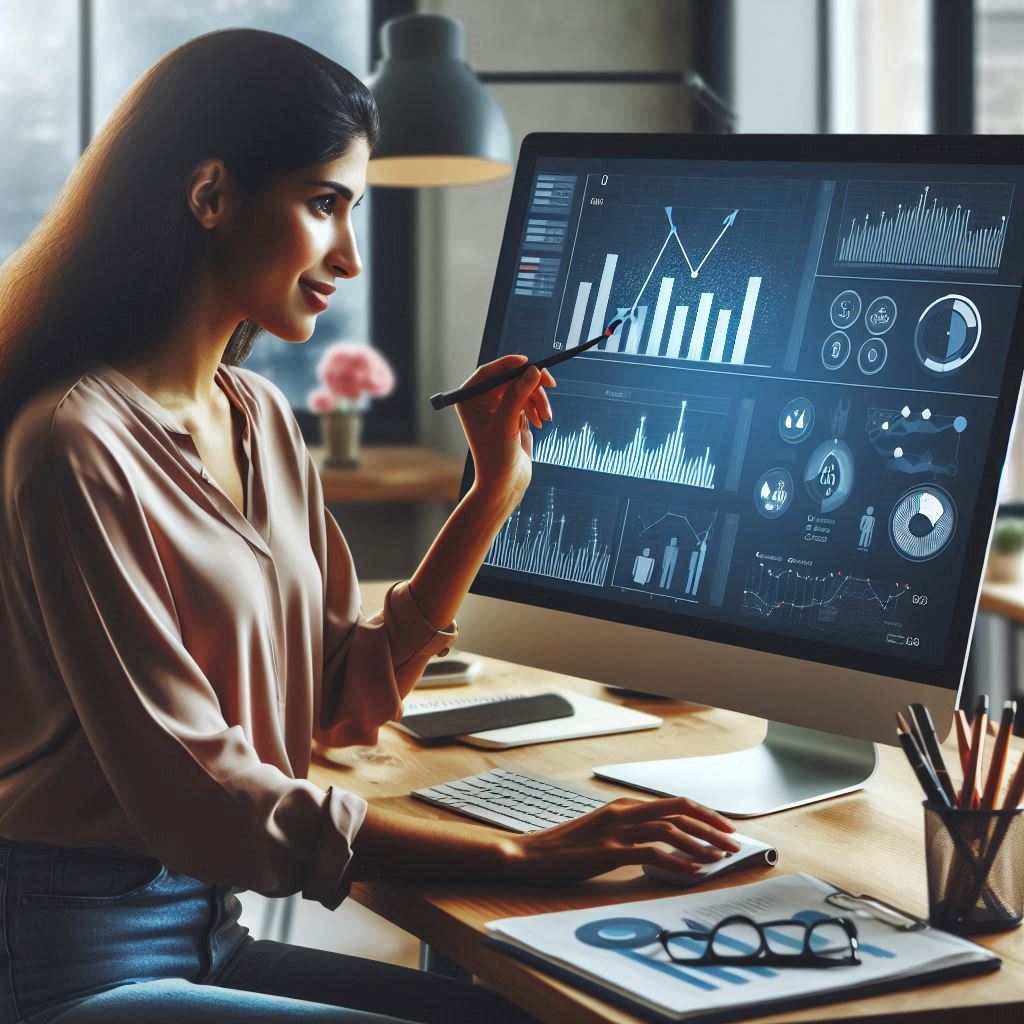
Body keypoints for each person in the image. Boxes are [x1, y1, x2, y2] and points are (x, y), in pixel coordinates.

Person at [0, 28, 740, 1023]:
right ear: (210, 194)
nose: (349, 256)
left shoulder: (257, 416)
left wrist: (488, 494)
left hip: (211, 936)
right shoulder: (72, 446)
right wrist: (514, 851)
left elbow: (343, 697)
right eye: (323, 205)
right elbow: (202, 796)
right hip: (77, 966)